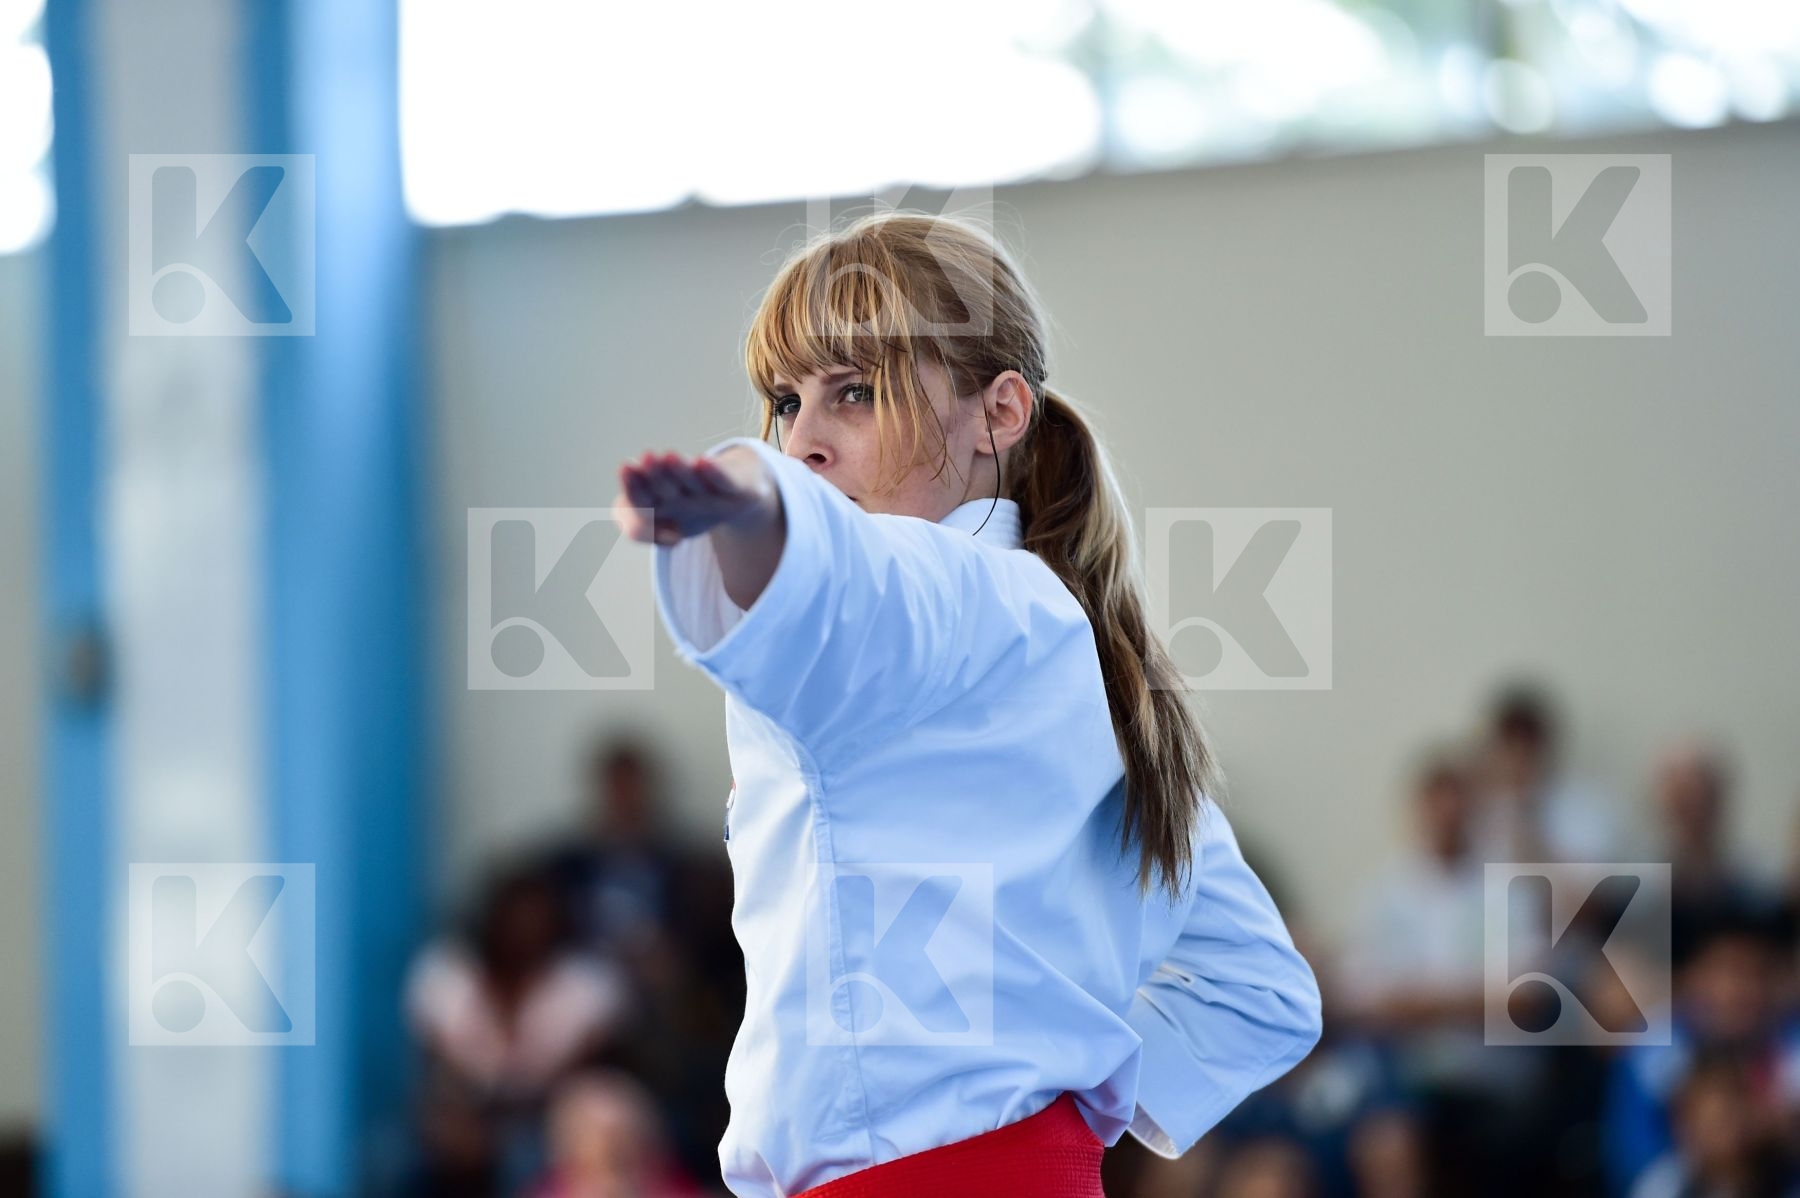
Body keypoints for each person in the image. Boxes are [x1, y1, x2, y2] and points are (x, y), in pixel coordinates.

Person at [611, 211, 1322, 1197]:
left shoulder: (947, 594)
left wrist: (750, 512)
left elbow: (847, 584)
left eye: (855, 393)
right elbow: (1262, 992)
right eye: (785, 399)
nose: (805, 439)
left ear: (1000, 412)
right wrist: (1058, 1102)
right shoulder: (1086, 651)